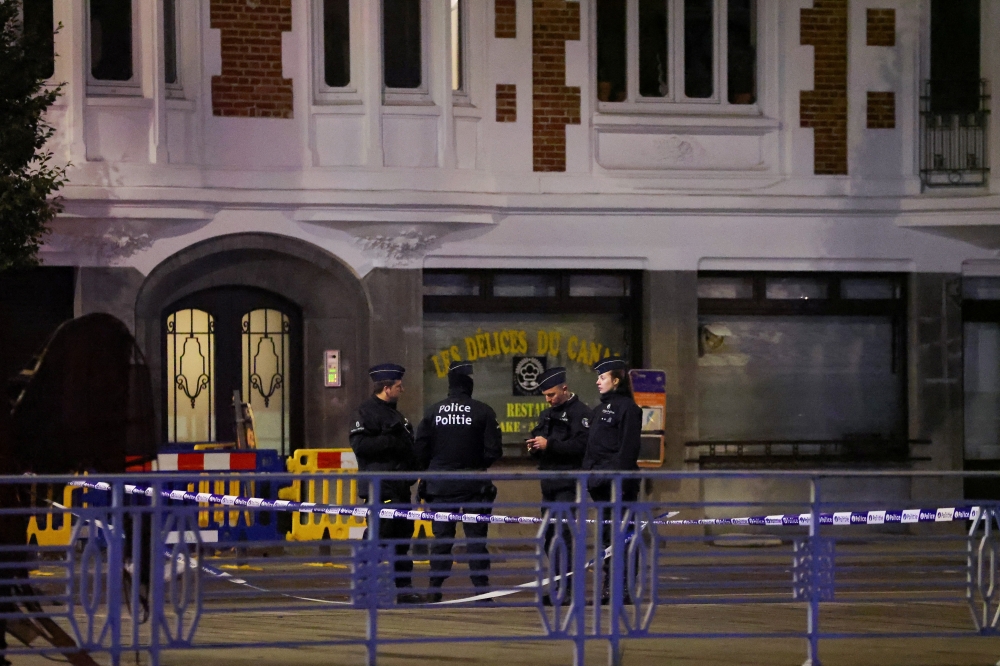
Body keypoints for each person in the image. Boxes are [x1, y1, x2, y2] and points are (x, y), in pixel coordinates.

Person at [414, 361, 503, 602]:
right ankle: (482, 591)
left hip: (441, 486)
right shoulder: (483, 411)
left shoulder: (433, 412)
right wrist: (474, 464)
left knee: (442, 539)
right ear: (469, 386)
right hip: (474, 486)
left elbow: (420, 449)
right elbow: (494, 451)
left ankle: (434, 589)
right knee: (476, 539)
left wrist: (431, 471)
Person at [349, 363, 422, 604]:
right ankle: (365, 587)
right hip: (380, 488)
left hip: (400, 487)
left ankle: (404, 589)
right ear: (387, 388)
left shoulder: (397, 415)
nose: (403, 390)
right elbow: (361, 447)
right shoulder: (367, 412)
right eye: (399, 386)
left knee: (402, 538)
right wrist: (389, 439)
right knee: (379, 535)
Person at [526, 366, 589, 606]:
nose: (549, 399)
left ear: (565, 388)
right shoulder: (547, 414)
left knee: (564, 536)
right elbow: (539, 441)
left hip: (569, 484)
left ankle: (569, 589)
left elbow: (581, 447)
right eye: (545, 396)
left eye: (552, 394)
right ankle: (558, 585)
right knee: (549, 537)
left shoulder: (581, 414)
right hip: (549, 484)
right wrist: (534, 448)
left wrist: (549, 445)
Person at [582, 357, 642, 604]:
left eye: (602, 377)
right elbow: (592, 449)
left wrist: (613, 479)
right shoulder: (598, 411)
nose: (598, 382)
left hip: (619, 487)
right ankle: (609, 585)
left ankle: (623, 587)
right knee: (608, 539)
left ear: (616, 381)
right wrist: (590, 477)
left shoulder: (628, 409)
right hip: (600, 487)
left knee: (624, 538)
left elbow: (627, 451)